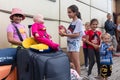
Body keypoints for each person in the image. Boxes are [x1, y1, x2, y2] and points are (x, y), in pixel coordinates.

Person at [59, 5, 84, 75]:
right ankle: (74, 76)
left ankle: (78, 77)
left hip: (75, 44)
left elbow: (77, 34)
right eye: (68, 12)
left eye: (70, 12)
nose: (68, 14)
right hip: (69, 44)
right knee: (71, 61)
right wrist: (63, 32)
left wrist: (65, 35)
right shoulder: (72, 22)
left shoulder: (78, 21)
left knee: (76, 62)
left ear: (75, 12)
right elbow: (70, 32)